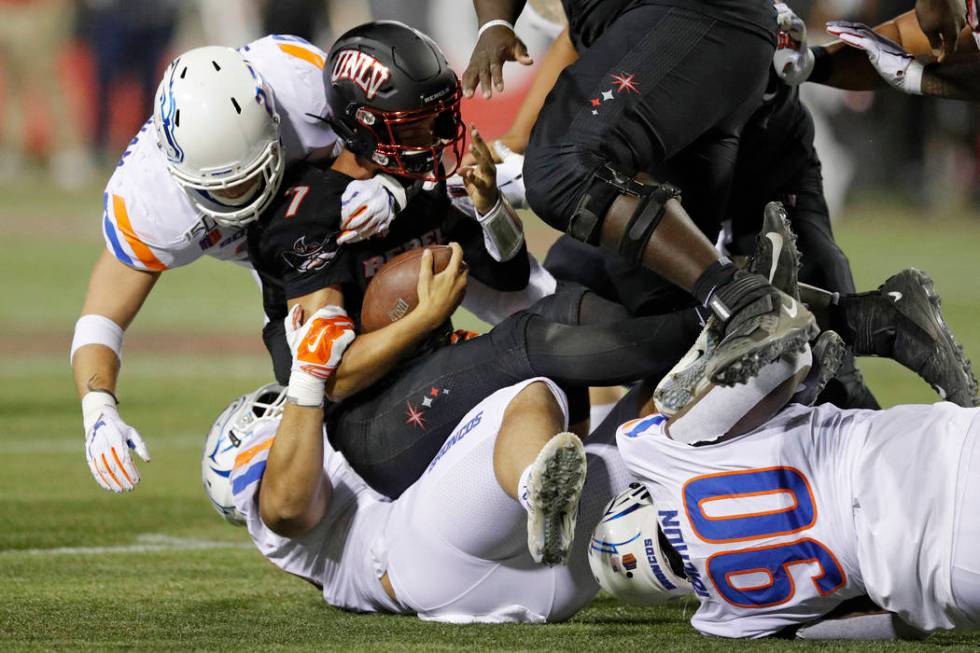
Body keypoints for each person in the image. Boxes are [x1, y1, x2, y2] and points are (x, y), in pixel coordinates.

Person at [590, 214, 980, 640]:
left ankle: (796, 346)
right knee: (688, 410)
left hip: (945, 577)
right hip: (939, 457)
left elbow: (892, 626)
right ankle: (781, 313)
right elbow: (771, 375)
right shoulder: (657, 458)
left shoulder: (727, 620)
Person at [73, 36, 398, 494]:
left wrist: (390, 183)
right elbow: (101, 318)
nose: (241, 194)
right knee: (316, 367)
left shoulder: (301, 81)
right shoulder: (148, 199)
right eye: (222, 187)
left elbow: (392, 129)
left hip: (339, 208)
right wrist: (98, 409)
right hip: (278, 260)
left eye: (250, 173)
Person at [464, 0, 822, 393]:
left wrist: (493, 22)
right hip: (715, 45)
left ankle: (745, 300)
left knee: (560, 169)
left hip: (694, 24)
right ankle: (859, 322)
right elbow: (578, 32)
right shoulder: (595, 22)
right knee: (665, 305)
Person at [203, 375, 634, 620]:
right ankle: (535, 491)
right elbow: (287, 507)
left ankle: (544, 496)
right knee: (531, 393)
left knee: (643, 435)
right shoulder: (273, 512)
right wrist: (307, 379)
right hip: (420, 548)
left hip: (540, 588)